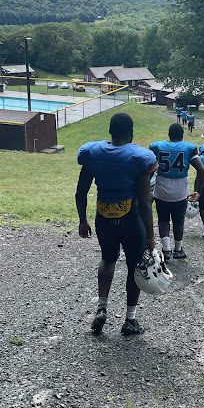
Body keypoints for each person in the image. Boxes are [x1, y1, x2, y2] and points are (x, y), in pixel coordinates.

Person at [76, 113, 158, 336]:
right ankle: (130, 320)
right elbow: (144, 202)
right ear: (131, 133)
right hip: (131, 219)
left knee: (108, 259)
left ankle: (102, 306)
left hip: (103, 217)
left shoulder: (92, 154)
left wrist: (82, 219)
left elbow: (81, 191)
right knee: (134, 266)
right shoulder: (139, 158)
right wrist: (150, 236)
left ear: (110, 131)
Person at [150, 123, 204, 261]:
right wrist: (198, 191)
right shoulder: (189, 148)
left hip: (162, 189)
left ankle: (166, 250)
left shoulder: (157, 146)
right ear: (181, 135)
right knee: (178, 221)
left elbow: (148, 168)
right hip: (180, 191)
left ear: (169, 134)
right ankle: (178, 249)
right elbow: (202, 170)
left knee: (163, 220)